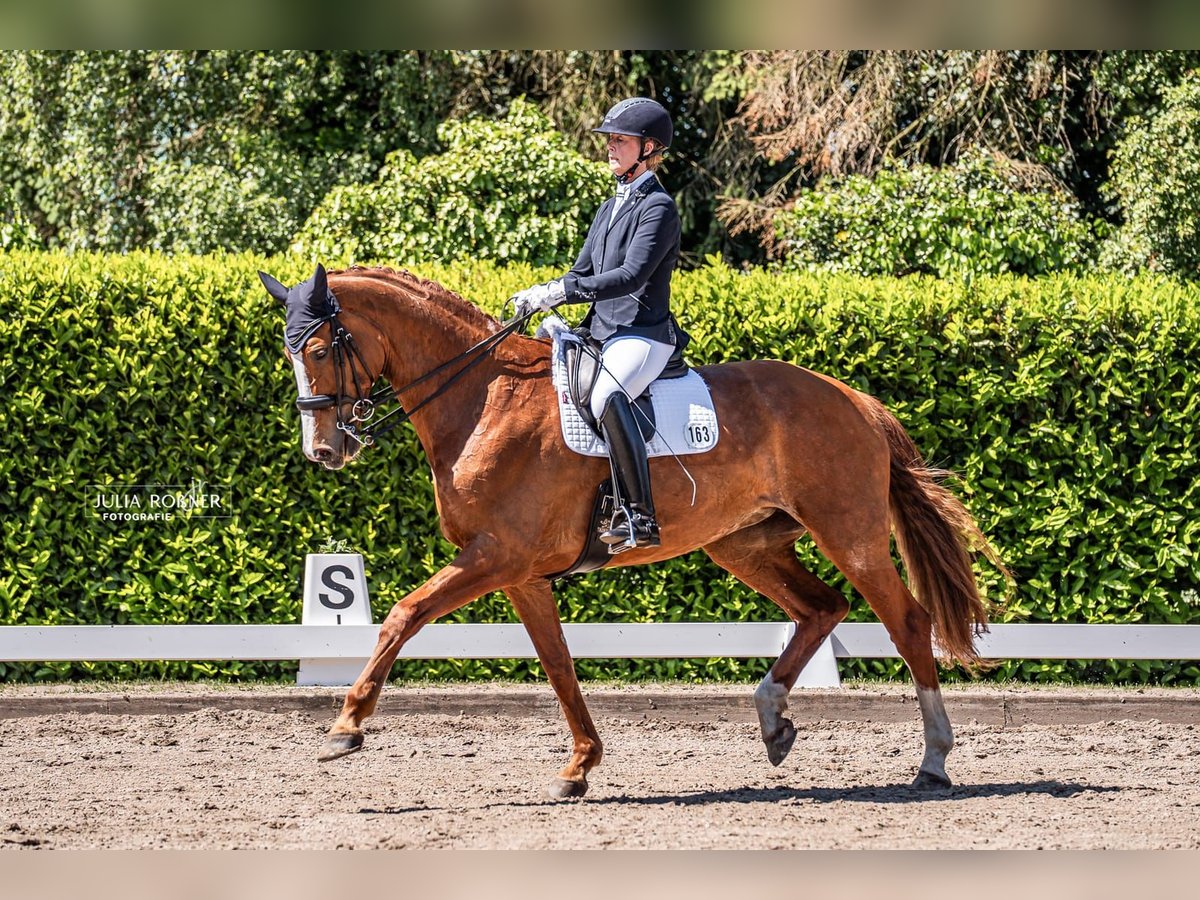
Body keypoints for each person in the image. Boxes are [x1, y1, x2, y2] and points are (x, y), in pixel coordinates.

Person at [511, 96, 689, 550]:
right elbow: (582, 273)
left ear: (649, 148)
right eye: (609, 140)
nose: (610, 147)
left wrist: (564, 292)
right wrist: (544, 291)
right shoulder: (610, 208)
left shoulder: (658, 208)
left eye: (620, 140)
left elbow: (631, 277)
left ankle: (639, 515)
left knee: (609, 392)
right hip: (601, 331)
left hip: (642, 333)